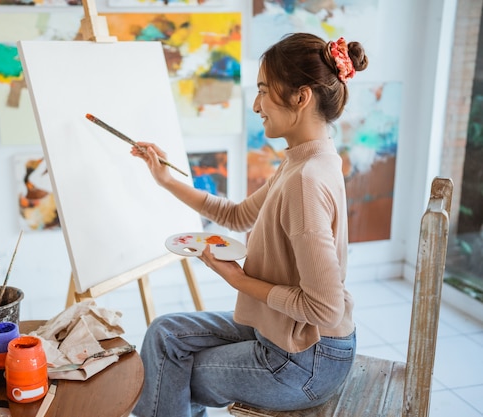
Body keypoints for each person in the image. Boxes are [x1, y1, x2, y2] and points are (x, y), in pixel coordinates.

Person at [130, 32, 369, 417]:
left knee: (167, 373)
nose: (256, 105)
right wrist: (165, 178)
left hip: (306, 360)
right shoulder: (305, 161)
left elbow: (324, 309)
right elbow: (236, 216)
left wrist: (238, 280)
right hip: (290, 334)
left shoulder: (305, 182)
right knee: (164, 333)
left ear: (301, 97)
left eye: (263, 91)